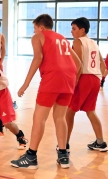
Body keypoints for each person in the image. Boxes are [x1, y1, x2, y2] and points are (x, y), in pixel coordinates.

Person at [10, 14, 82, 169]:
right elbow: (79, 63)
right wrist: (73, 82)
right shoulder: (62, 37)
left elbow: (37, 58)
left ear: (41, 28)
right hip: (68, 78)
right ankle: (63, 156)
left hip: (52, 78)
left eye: (34, 28)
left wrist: (25, 84)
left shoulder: (38, 37)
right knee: (60, 117)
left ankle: (31, 157)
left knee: (39, 118)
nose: (34, 31)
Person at [66, 17, 108, 152]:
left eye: (74, 29)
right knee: (90, 111)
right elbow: (103, 66)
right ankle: (100, 142)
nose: (71, 32)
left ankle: (63, 144)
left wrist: (74, 83)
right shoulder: (93, 43)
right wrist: (100, 78)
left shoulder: (78, 42)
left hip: (84, 78)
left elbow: (78, 66)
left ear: (82, 30)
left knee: (69, 112)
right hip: (95, 79)